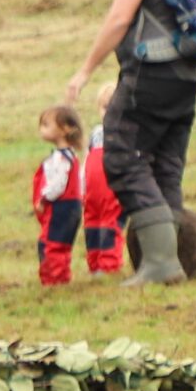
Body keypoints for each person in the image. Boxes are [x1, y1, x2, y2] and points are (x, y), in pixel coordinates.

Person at [63, 0, 196, 285]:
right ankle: (174, 259)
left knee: (123, 158)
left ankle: (160, 264)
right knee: (165, 166)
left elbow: (120, 18)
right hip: (186, 77)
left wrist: (86, 69)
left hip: (148, 75)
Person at [32, 105, 86, 285]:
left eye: (46, 125)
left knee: (52, 243)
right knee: (60, 244)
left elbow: (58, 184)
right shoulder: (70, 156)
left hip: (62, 207)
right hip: (72, 206)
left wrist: (44, 197)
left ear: (65, 129)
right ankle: (58, 277)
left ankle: (54, 279)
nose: (42, 129)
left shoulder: (62, 158)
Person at [81, 114, 123, 275]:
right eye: (104, 107)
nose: (109, 111)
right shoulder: (96, 132)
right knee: (92, 226)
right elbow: (86, 160)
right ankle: (96, 264)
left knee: (108, 225)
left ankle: (108, 265)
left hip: (110, 191)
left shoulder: (125, 131)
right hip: (91, 192)